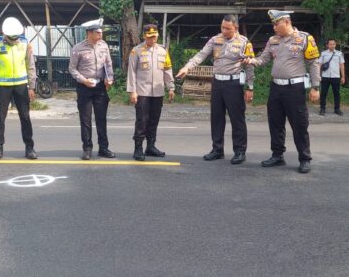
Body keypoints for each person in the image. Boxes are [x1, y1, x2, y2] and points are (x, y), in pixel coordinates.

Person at [244, 10, 320, 173]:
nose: (274, 27)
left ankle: (304, 158)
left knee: (299, 124)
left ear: (286, 22)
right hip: (276, 88)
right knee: (275, 123)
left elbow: (314, 62)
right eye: (273, 24)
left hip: (295, 88)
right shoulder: (273, 40)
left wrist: (315, 87)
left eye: (276, 24)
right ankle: (277, 155)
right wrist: (251, 60)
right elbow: (263, 59)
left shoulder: (305, 38)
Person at [176, 15, 255, 164]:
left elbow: (249, 66)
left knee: (237, 119)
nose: (224, 31)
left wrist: (250, 87)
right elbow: (201, 55)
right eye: (222, 27)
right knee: (216, 118)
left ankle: (239, 151)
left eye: (228, 28)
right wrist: (187, 67)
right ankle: (217, 149)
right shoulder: (215, 40)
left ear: (235, 28)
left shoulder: (244, 42)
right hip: (217, 83)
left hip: (234, 84)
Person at [0, 17, 37, 161]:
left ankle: (29, 147)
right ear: (4, 33)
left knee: (25, 117)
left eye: (16, 37)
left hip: (21, 86)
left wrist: (32, 87)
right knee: (1, 118)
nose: (15, 40)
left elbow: (30, 66)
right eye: (12, 37)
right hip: (2, 86)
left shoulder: (25, 43)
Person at [127, 24, 176, 161]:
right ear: (144, 36)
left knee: (154, 120)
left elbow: (167, 70)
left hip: (158, 92)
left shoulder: (163, 51)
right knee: (142, 121)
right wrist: (132, 91)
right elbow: (131, 72)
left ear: (157, 35)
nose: (152, 39)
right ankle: (138, 148)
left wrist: (171, 87)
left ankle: (151, 146)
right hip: (142, 92)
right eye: (149, 37)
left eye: (154, 36)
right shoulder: (136, 51)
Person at [68, 24, 115, 160]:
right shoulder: (78, 48)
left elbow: (108, 64)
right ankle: (87, 148)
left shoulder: (103, 46)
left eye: (101, 33)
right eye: (97, 33)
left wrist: (109, 78)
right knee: (85, 119)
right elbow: (72, 69)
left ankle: (103, 148)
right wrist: (83, 80)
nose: (100, 35)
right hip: (84, 87)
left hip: (100, 87)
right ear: (89, 33)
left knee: (101, 119)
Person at [318, 38, 345, 116]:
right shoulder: (323, 53)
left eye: (334, 44)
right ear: (327, 45)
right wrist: (318, 75)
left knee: (336, 93)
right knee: (323, 93)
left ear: (335, 45)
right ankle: (322, 109)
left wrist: (343, 76)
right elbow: (319, 64)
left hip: (336, 76)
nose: (332, 45)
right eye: (330, 44)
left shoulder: (339, 53)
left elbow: (342, 65)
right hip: (325, 76)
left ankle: (337, 109)